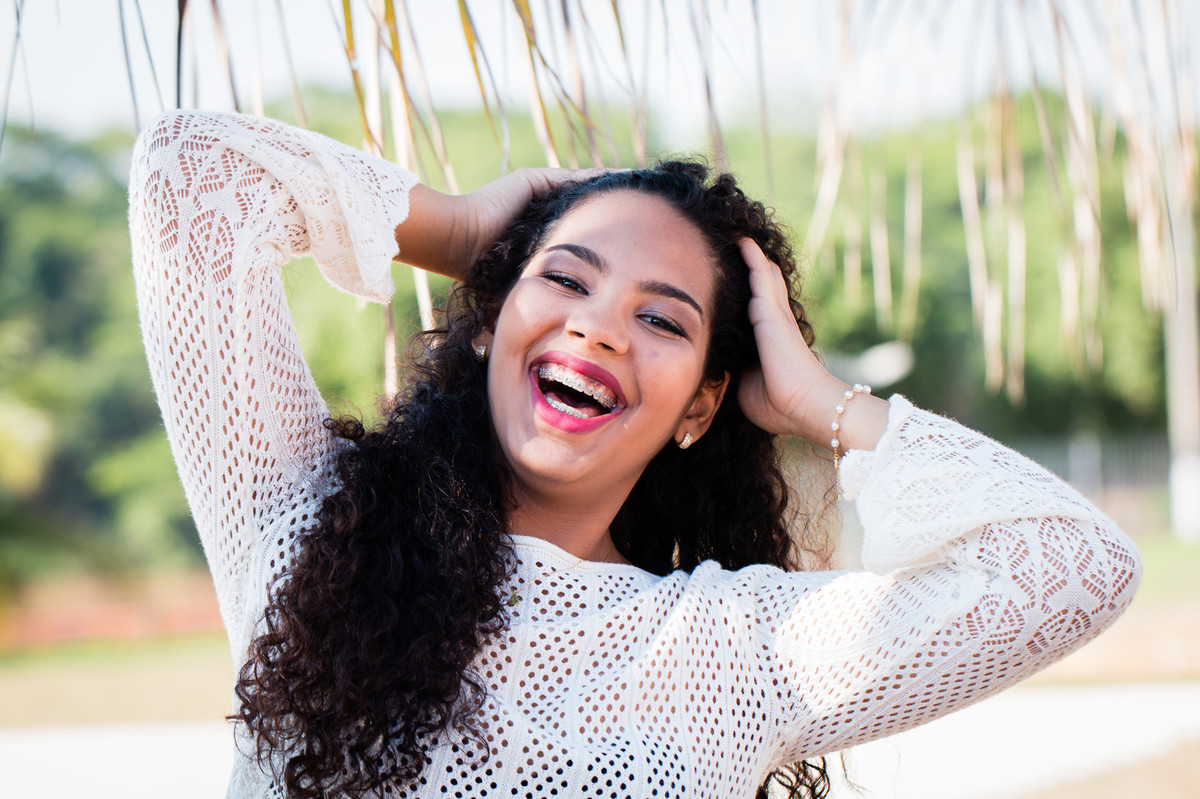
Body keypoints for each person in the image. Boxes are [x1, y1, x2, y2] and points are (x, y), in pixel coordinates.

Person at [128, 110, 1141, 799]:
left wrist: (819, 401)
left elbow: (1075, 563)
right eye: (565, 280)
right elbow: (191, 173)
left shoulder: (728, 651)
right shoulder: (308, 524)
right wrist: (464, 227)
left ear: (700, 402)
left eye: (662, 319)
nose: (600, 327)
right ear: (488, 322)